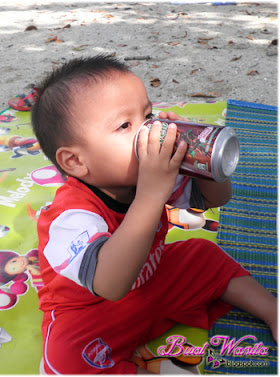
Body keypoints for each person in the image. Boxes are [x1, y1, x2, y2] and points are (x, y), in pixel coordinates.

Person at [31, 55, 277, 374]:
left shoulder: (145, 178)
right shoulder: (67, 217)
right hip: (94, 313)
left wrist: (204, 163)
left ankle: (272, 310)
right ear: (76, 162)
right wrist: (151, 194)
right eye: (125, 125)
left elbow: (218, 199)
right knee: (65, 361)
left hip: (152, 282)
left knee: (200, 253)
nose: (149, 132)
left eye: (147, 115)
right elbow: (110, 284)